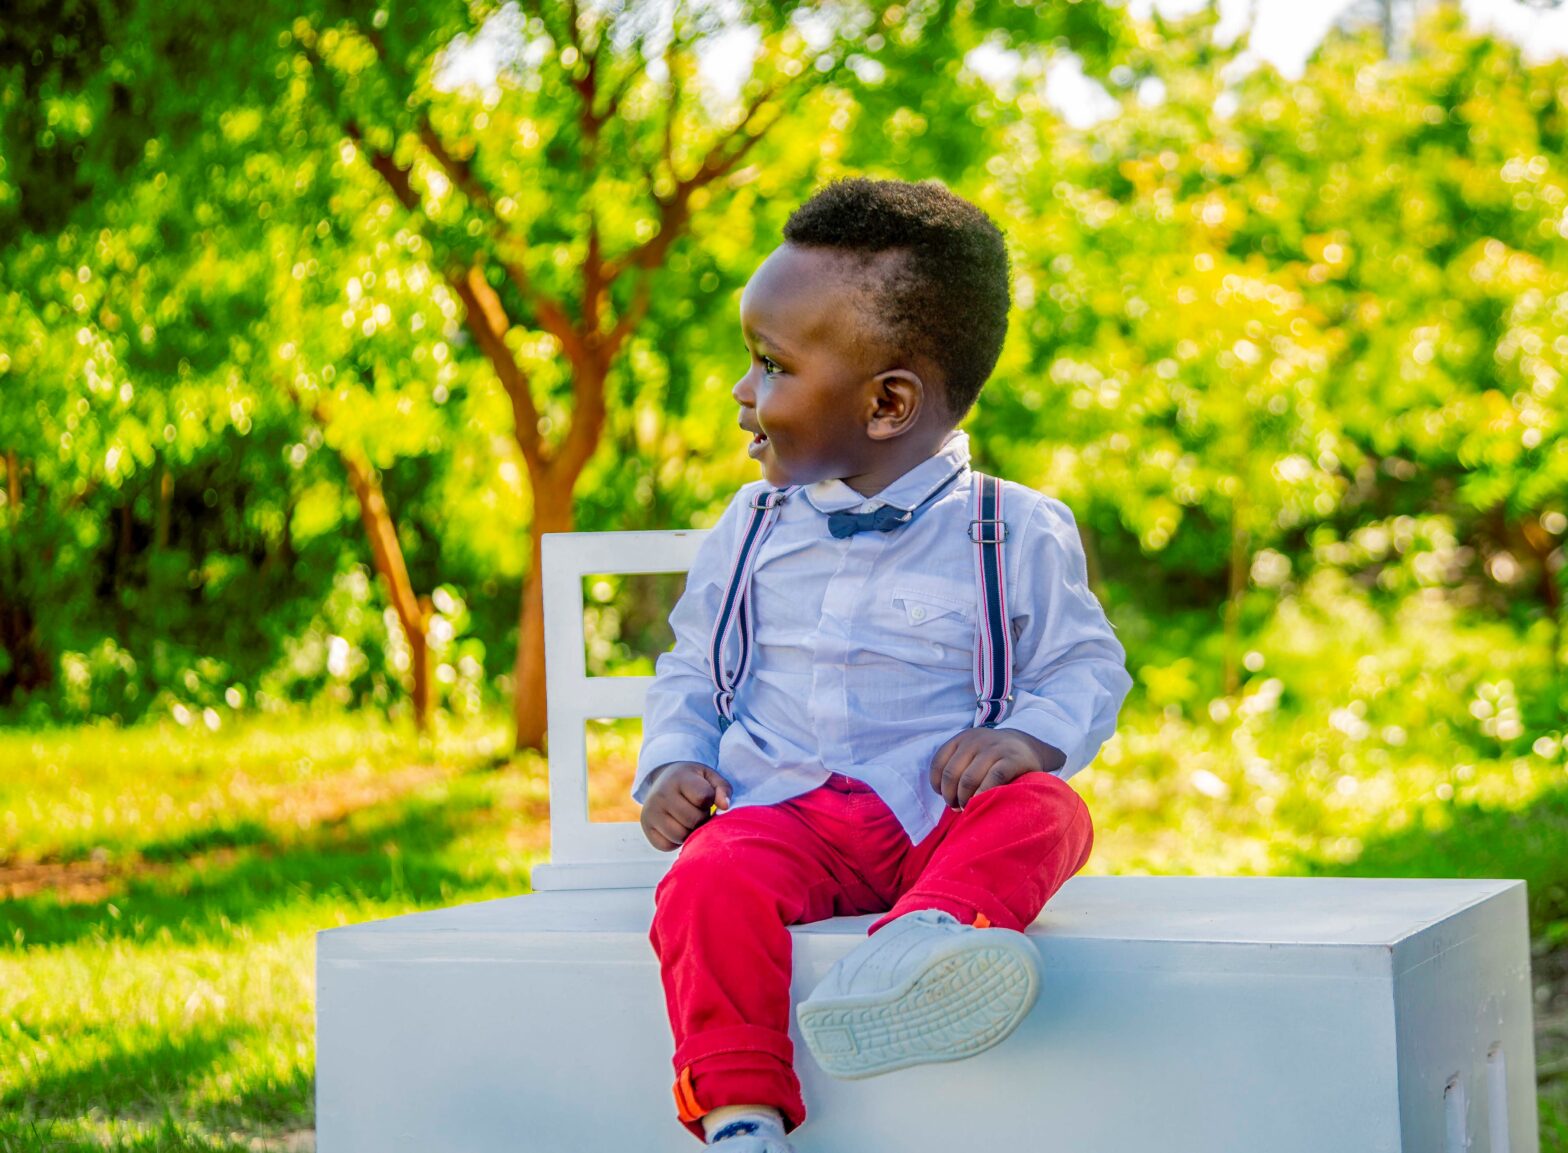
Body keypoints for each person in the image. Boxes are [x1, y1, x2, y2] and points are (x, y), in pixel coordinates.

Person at [632, 176, 1133, 1153]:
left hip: (934, 818)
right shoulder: (747, 528)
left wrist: (1024, 736)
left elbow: (1082, 667)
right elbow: (691, 667)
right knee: (704, 880)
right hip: (790, 815)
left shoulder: (1011, 526)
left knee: (1048, 811)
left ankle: (921, 944)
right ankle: (742, 1113)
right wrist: (669, 765)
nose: (743, 394)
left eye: (769, 367)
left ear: (886, 401)